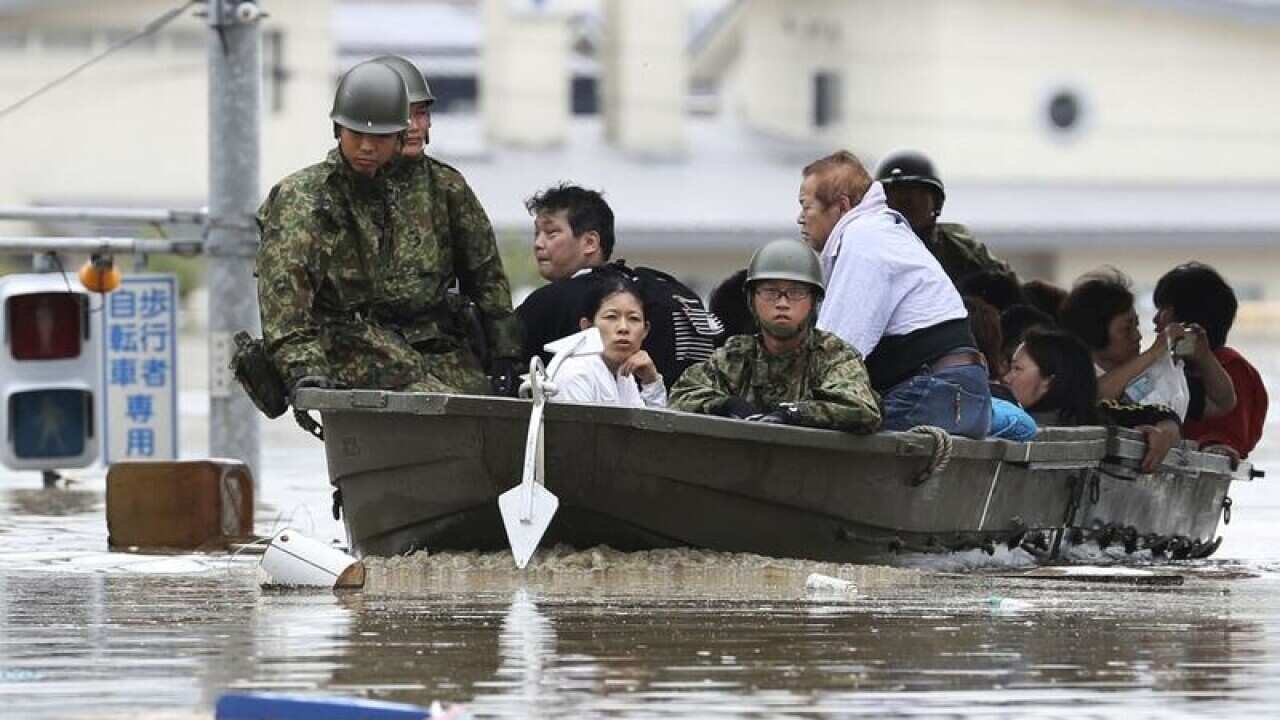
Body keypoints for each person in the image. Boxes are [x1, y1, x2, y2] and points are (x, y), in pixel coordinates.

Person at [257, 61, 505, 398]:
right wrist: (305, 372)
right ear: (338, 131)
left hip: (420, 348)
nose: (367, 147)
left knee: (487, 404)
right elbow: (286, 303)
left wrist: (506, 353)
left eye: (380, 137)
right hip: (344, 351)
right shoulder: (306, 197)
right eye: (357, 134)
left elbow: (486, 275)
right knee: (440, 407)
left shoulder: (421, 189)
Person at [799, 150, 990, 438]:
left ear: (841, 206)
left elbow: (837, 351)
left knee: (819, 441)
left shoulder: (865, 239)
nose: (800, 218)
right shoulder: (884, 232)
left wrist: (788, 407)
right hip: (964, 397)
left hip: (932, 395)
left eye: (806, 206)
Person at [374, 54, 522, 394]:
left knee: (472, 409)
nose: (414, 126)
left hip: (437, 345)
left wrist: (506, 354)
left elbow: (486, 276)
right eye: (404, 115)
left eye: (421, 114)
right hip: (367, 347)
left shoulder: (446, 187)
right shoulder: (346, 188)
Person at [517, 183, 723, 387]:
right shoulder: (655, 288)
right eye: (537, 234)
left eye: (551, 233)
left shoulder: (548, 301)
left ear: (590, 243)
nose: (538, 244)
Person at [670, 240, 881, 433]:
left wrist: (794, 414)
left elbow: (861, 408)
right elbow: (682, 395)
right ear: (752, 300)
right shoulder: (734, 355)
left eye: (796, 292)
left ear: (814, 301)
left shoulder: (833, 355)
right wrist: (727, 405)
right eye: (770, 292)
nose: (782, 303)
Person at [1059, 271, 1234, 421]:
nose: (1137, 336)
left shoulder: (1151, 376)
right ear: (1094, 332)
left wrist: (1204, 357)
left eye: (1136, 325)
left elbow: (1222, 403)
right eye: (1126, 329)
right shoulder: (1068, 375)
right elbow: (1092, 397)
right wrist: (1154, 352)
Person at [1004, 328, 1184, 472]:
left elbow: (1161, 415)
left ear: (1049, 381)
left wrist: (1164, 434)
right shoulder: (997, 412)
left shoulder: (1094, 417)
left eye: (1017, 369)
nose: (1006, 378)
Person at [1154, 262, 1266, 462]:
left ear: (1187, 321)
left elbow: (1228, 434)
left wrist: (1215, 447)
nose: (1155, 319)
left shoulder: (1232, 367)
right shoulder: (1167, 369)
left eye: (1164, 309)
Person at [875, 150, 1012, 286]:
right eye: (894, 197)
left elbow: (1012, 289)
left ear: (936, 203)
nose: (905, 203)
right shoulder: (869, 249)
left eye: (916, 194)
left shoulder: (962, 251)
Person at [551, 273, 666, 408]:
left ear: (645, 330)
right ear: (587, 327)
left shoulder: (622, 373)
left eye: (633, 318)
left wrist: (651, 381)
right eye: (611, 317)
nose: (623, 328)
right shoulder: (576, 372)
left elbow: (651, 421)